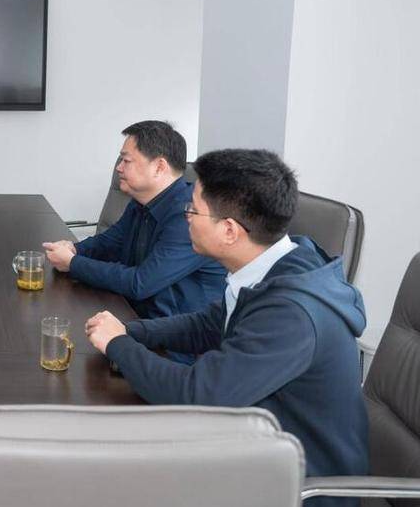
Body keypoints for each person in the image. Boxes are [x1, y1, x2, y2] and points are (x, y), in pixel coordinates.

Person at [86, 149, 368, 506]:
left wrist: (118, 345)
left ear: (230, 230)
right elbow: (209, 324)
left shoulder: (291, 314)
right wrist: (132, 332)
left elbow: (198, 394)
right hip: (258, 446)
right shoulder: (280, 264)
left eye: (192, 210)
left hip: (298, 485)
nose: (186, 218)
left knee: (115, 476)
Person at [43, 121, 226, 324]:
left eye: (126, 161)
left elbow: (141, 283)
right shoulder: (141, 201)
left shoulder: (190, 215)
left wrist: (73, 263)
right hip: (135, 315)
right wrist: (74, 249)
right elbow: (110, 242)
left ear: (159, 167)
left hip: (176, 334)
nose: (118, 168)